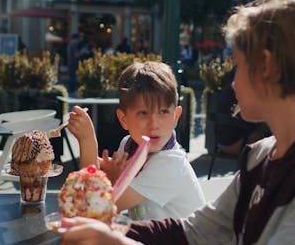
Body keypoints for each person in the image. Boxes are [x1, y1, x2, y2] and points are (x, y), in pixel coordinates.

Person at [59, 0, 295, 245]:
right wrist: (111, 234)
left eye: (237, 65)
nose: (232, 83)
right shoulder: (262, 157)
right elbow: (197, 235)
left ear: (266, 66)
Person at [67, 61, 205, 221]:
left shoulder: (168, 165)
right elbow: (101, 184)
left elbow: (98, 209)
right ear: (123, 119)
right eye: (143, 113)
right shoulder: (128, 145)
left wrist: (87, 141)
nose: (154, 124)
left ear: (176, 116)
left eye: (163, 112)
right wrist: (109, 174)